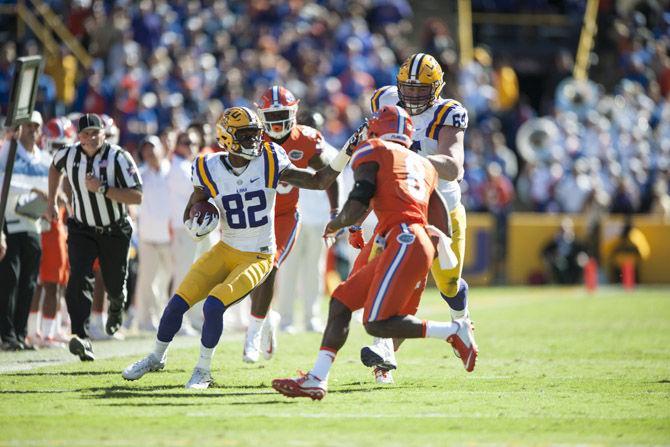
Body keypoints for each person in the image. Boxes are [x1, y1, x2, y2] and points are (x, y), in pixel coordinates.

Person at [122, 106, 360, 389]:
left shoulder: (269, 160)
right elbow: (192, 209)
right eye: (246, 136)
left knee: (213, 305)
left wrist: (346, 151)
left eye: (256, 135)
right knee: (176, 304)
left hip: (258, 254)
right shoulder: (208, 166)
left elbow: (319, 180)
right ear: (227, 138)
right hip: (226, 248)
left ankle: (203, 369)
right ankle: (155, 357)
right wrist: (197, 221)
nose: (255, 141)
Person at [272, 105, 477, 401]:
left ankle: (453, 330)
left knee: (375, 322)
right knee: (341, 301)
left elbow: (359, 198)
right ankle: (317, 378)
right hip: (409, 239)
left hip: (403, 238)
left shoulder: (375, 150)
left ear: (378, 129)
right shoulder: (423, 163)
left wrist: (339, 223)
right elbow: (438, 209)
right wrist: (439, 243)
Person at [358, 53, 475, 382]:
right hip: (399, 206)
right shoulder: (384, 100)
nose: (411, 96)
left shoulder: (448, 113)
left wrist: (408, 158)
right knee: (394, 281)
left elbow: (454, 167)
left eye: (420, 89)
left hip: (441, 208)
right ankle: (384, 354)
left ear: (437, 89)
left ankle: (461, 323)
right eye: (406, 88)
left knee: (449, 283)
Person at [242, 86, 340, 363]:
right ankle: (266, 318)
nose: (276, 121)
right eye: (271, 115)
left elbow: (327, 176)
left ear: (294, 112)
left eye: (282, 114)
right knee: (249, 277)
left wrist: (335, 211)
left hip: (285, 215)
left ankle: (253, 334)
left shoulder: (307, 139)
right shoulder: (250, 137)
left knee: (269, 267)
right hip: (253, 216)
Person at [47, 113, 143, 361]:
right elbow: (54, 168)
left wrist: (103, 189)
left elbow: (137, 196)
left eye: (95, 133)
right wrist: (51, 200)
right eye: (85, 133)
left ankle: (116, 304)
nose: (90, 138)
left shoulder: (119, 157)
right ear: (78, 136)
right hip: (81, 228)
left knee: (113, 281)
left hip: (114, 229)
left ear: (104, 133)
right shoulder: (68, 154)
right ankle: (81, 336)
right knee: (78, 278)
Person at [0, 111, 50, 351]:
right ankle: (7, 335)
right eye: (28, 126)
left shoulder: (44, 159)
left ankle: (20, 334)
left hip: (33, 225)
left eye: (35, 126)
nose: (32, 130)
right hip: (9, 224)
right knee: (10, 281)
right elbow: (2, 183)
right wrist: (31, 188)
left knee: (29, 282)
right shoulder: (7, 153)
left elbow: (52, 190)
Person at [27, 116, 76, 348]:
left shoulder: (66, 168)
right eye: (57, 146)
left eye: (64, 147)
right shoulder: (43, 162)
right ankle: (40, 331)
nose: (60, 152)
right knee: (46, 280)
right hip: (46, 226)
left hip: (58, 226)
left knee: (58, 279)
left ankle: (50, 328)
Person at [132, 136, 172, 332]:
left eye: (152, 148)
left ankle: (166, 317)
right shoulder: (140, 174)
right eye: (145, 150)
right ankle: (146, 321)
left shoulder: (172, 171)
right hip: (148, 237)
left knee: (168, 282)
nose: (149, 153)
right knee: (147, 282)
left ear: (161, 149)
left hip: (170, 236)